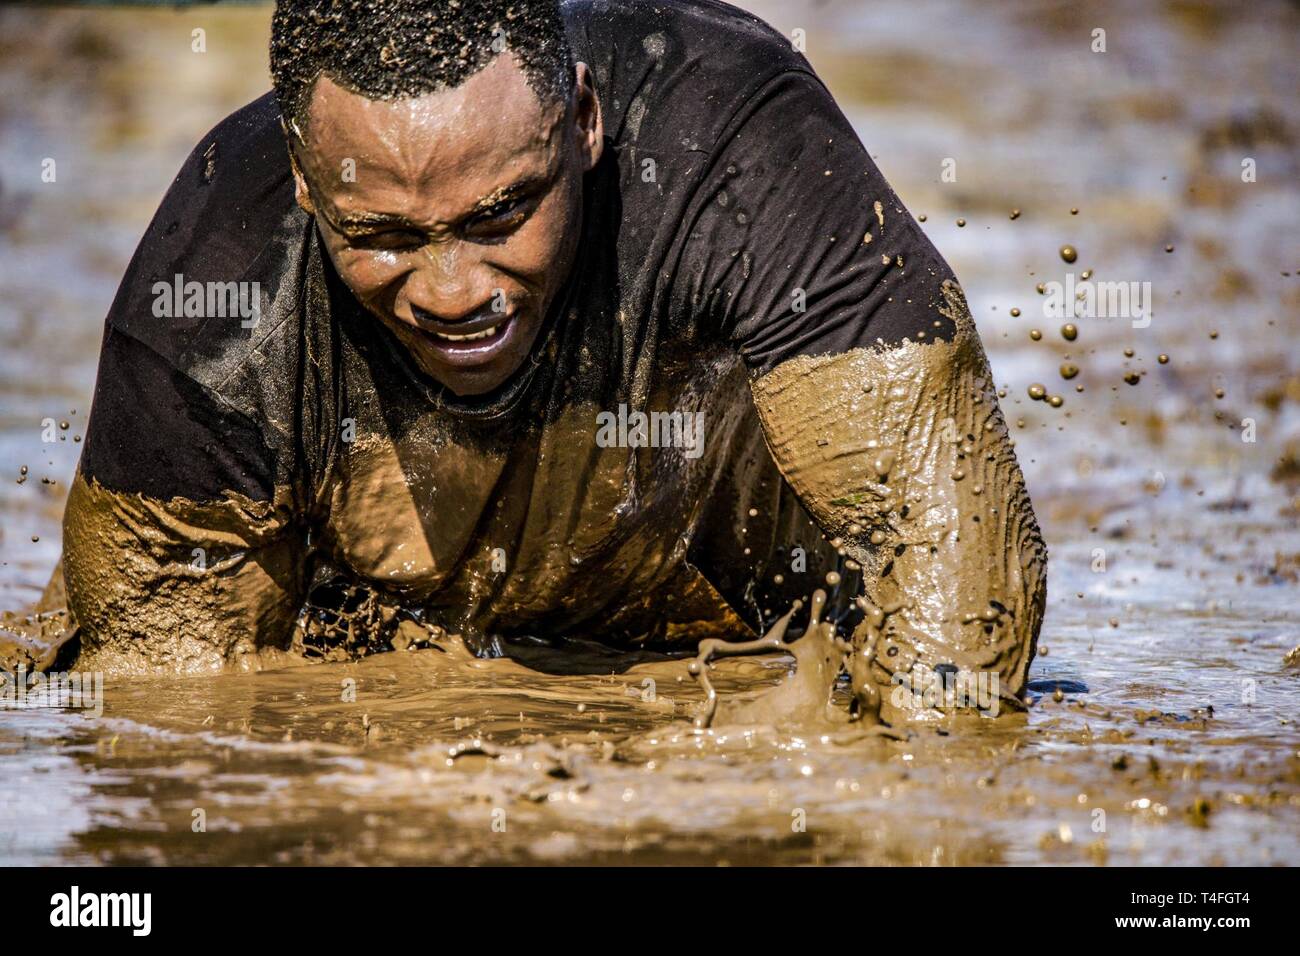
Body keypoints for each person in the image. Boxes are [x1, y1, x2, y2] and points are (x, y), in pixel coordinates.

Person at [49, 0, 1045, 722]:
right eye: (384, 235)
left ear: (581, 119)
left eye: (500, 214)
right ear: (306, 187)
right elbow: (165, 737)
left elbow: (953, 580)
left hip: (759, 638)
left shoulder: (737, 144)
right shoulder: (204, 304)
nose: (452, 291)